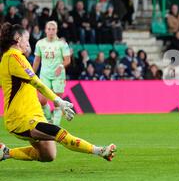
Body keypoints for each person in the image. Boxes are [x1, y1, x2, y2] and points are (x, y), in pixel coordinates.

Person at [0, 23, 116, 162]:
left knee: (48, 155)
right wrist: (58, 100)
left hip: (32, 115)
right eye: (26, 39)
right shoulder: (14, 57)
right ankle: (100, 151)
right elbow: (36, 82)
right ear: (18, 40)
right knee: (60, 133)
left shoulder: (10, 59)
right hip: (22, 119)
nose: (28, 43)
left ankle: (5, 152)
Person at [32, 21, 71, 126]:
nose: (51, 31)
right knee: (42, 100)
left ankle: (55, 126)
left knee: (57, 102)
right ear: (45, 30)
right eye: (49, 29)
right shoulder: (40, 43)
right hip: (44, 75)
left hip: (58, 76)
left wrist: (61, 66)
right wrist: (31, 74)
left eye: (53, 29)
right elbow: (37, 60)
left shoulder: (62, 44)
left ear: (56, 30)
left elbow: (67, 59)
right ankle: (49, 120)